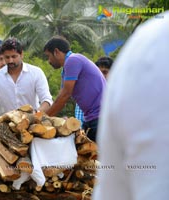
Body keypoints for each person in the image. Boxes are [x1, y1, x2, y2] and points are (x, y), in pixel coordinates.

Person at [93, 11, 169, 200]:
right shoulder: (150, 46)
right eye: (99, 72)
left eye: (105, 71)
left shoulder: (147, 45)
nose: (103, 76)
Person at [43, 36, 106, 142]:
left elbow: (65, 96)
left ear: (56, 52)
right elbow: (60, 98)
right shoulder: (67, 67)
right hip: (92, 118)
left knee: (100, 156)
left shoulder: (73, 60)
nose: (49, 61)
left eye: (48, 56)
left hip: (100, 117)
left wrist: (43, 119)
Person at [0, 38, 53, 116]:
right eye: (7, 57)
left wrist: (35, 114)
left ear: (22, 54)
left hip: (33, 123)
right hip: (8, 124)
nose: (10, 61)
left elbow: (47, 100)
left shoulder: (36, 73)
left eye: (14, 56)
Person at [74, 56, 113, 127]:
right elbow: (79, 123)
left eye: (105, 72)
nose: (101, 76)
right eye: (98, 73)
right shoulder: (85, 94)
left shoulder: (117, 94)